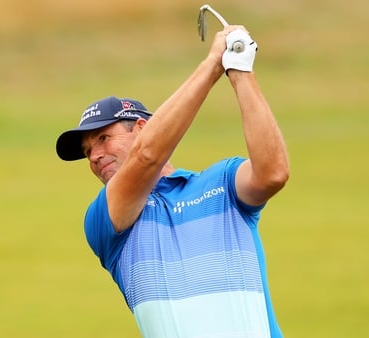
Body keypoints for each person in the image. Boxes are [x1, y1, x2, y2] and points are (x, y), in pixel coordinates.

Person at [56, 25, 289, 338]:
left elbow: (272, 173)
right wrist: (212, 66)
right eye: (87, 151)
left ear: (141, 127)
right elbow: (146, 158)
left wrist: (240, 70)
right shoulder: (104, 218)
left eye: (103, 138)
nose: (94, 156)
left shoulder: (222, 184)